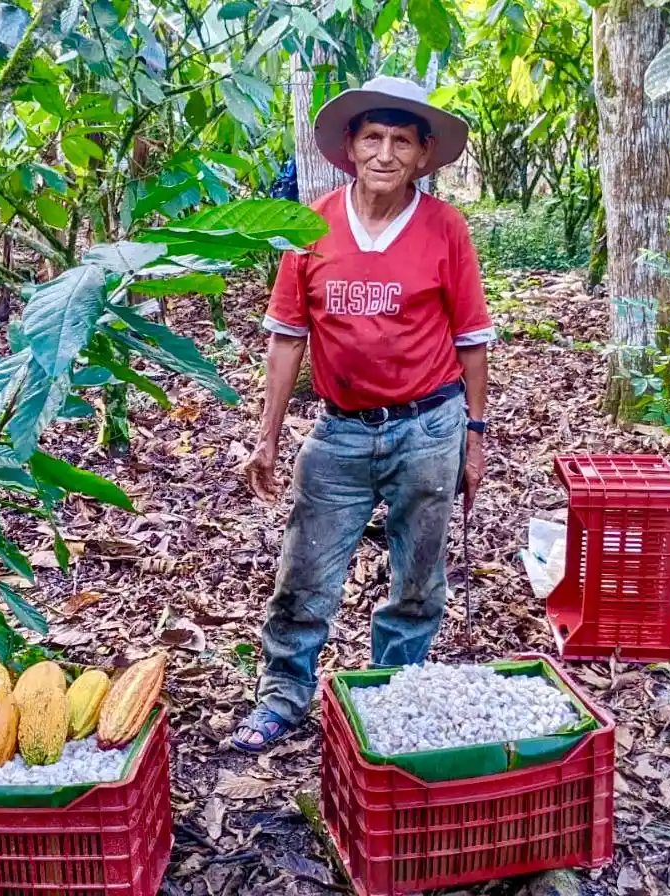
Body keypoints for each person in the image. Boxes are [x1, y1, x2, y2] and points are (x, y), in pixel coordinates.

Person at [231, 76, 493, 752]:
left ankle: (392, 695)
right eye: (372, 138)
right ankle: (283, 695)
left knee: (417, 578)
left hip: (429, 425)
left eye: (400, 141)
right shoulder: (311, 228)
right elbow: (288, 337)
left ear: (423, 153)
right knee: (305, 572)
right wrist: (267, 436)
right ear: (350, 147)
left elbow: (471, 339)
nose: (384, 153)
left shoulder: (445, 228)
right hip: (341, 431)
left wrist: (476, 436)